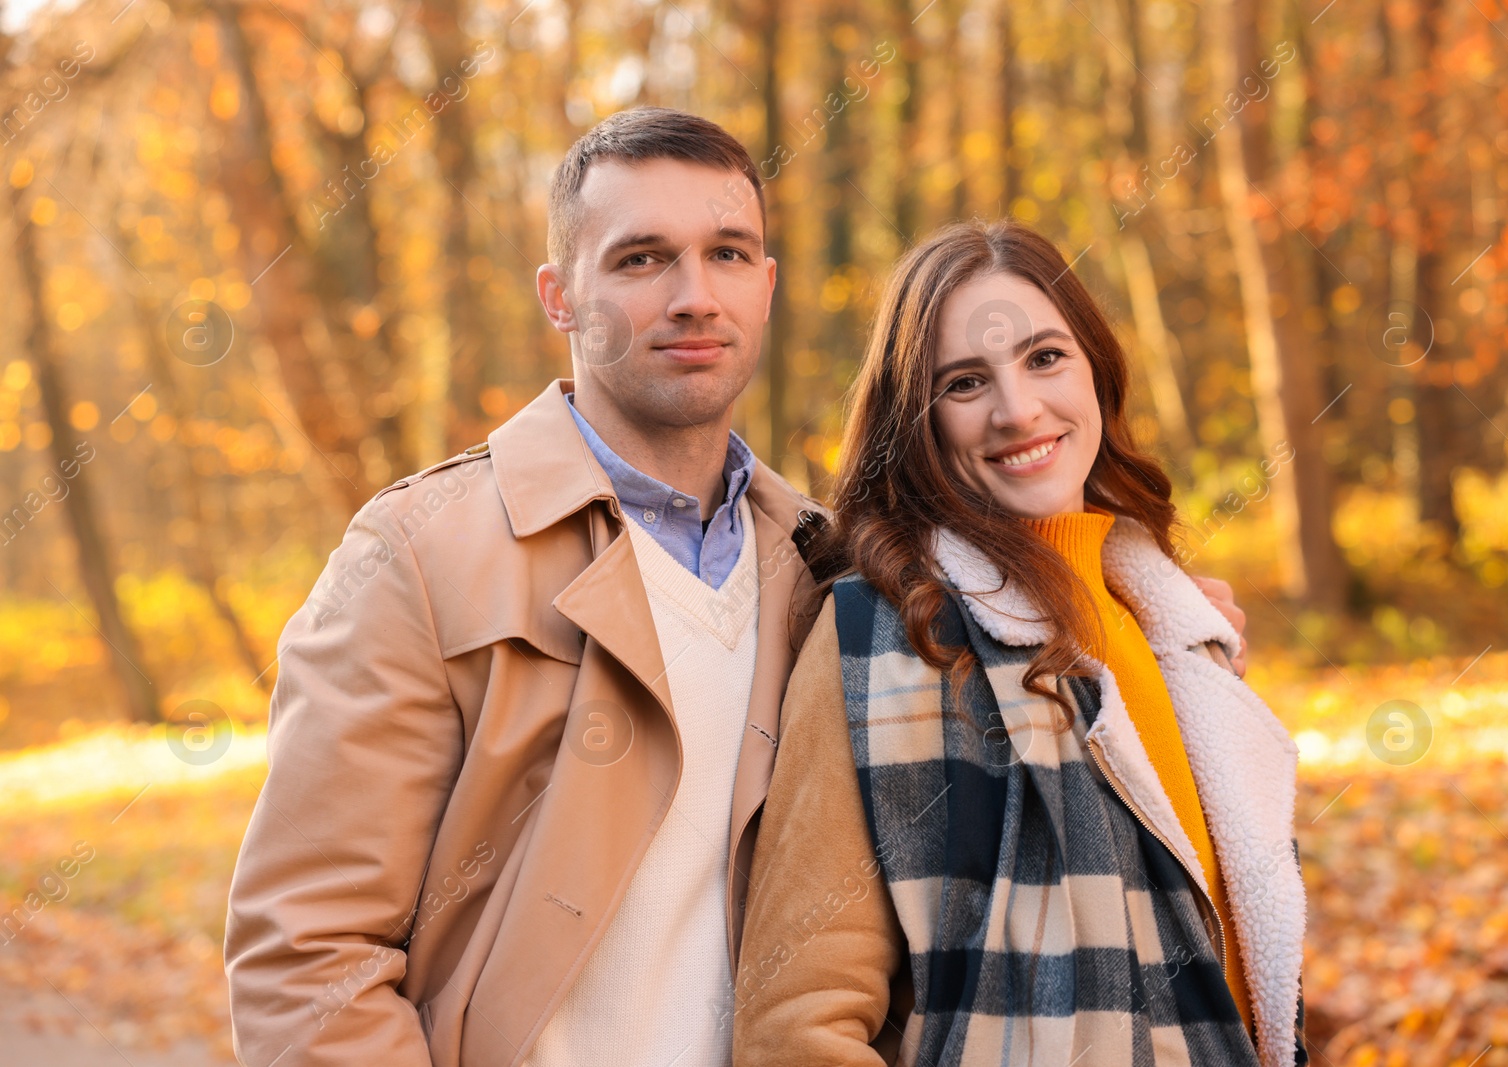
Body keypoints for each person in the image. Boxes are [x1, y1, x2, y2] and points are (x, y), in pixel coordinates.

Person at [225, 107, 1251, 1067]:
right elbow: (307, 953)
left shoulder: (818, 564)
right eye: (640, 258)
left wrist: (1137, 611)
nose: (692, 295)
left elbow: (1004, 622)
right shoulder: (420, 553)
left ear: (765, 281)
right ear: (558, 294)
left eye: (725, 253)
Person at [731, 220, 1307, 1067]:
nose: (1018, 409)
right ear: (916, 422)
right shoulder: (883, 637)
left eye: (1045, 357)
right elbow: (796, 1022)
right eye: (966, 382)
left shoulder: (1164, 623)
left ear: (1097, 370)